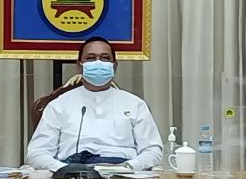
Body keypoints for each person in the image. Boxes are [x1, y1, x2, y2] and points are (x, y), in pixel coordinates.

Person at [26, 37, 162, 171]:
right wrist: (64, 169)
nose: (98, 63)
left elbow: (153, 151)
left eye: (105, 58)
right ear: (79, 67)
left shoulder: (135, 104)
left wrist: (128, 167)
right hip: (73, 175)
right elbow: (36, 154)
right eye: (90, 58)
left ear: (114, 66)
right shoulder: (59, 105)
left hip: (124, 174)